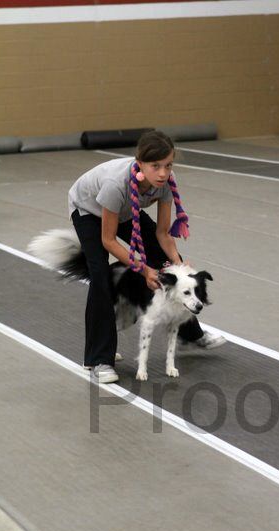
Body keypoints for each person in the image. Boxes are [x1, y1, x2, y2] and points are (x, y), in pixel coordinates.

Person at [68, 130, 226, 383]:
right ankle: (98, 359)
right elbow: (108, 240)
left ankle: (190, 333)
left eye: (168, 165)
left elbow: (163, 234)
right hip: (89, 210)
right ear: (140, 163)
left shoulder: (165, 182)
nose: (163, 173)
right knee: (99, 276)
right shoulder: (115, 184)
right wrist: (143, 270)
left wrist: (176, 263)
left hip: (125, 211)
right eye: (156, 166)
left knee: (168, 263)